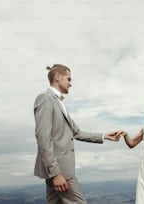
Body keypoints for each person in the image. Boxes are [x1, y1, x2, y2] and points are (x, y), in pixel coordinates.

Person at [33, 64, 121, 204]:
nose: (70, 84)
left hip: (59, 170)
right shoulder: (45, 99)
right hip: (59, 170)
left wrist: (104, 136)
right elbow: (43, 139)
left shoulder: (59, 103)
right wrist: (55, 173)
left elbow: (77, 132)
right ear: (57, 77)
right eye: (68, 79)